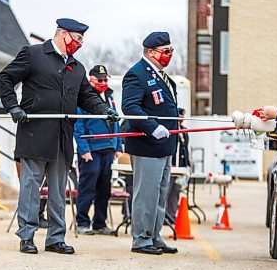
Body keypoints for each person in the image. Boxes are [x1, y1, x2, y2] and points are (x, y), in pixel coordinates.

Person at [0, 18, 119, 255]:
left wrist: (105, 111)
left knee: (57, 192)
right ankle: (27, 236)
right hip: (34, 133)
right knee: (31, 189)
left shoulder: (78, 67)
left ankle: (55, 238)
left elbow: (87, 97)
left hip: (63, 137)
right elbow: (5, 79)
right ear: (63, 34)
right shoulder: (33, 54)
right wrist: (13, 107)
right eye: (78, 38)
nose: (80, 44)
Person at [121, 31, 179, 255]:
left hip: (164, 145)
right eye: (166, 51)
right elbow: (131, 108)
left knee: (160, 193)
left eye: (170, 51)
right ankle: (141, 238)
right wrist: (153, 126)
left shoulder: (162, 76)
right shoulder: (137, 75)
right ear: (152, 52)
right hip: (147, 145)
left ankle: (154, 235)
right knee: (146, 193)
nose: (169, 55)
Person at [73, 65, 123, 235]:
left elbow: (115, 121)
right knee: (88, 187)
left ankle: (100, 223)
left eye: (105, 79)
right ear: (91, 80)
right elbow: (78, 126)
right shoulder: (84, 97)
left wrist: (118, 145)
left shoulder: (110, 96)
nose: (103, 82)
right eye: (99, 80)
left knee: (104, 189)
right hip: (92, 150)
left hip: (108, 149)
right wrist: (84, 150)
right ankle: (82, 222)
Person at [164, 107, 190, 225]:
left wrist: (187, 165)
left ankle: (172, 215)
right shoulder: (171, 129)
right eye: (180, 115)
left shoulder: (184, 131)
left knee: (176, 192)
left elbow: (185, 150)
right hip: (172, 165)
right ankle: (163, 216)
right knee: (166, 192)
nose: (182, 118)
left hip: (180, 167)